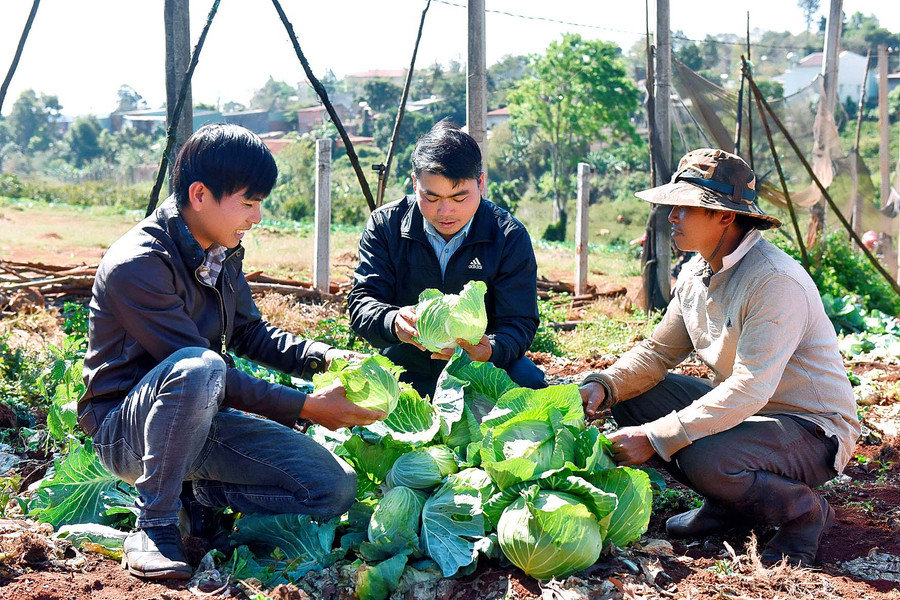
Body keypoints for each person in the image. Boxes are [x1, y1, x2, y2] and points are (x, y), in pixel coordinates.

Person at [78, 123, 383, 581]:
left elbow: (250, 334)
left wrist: (327, 357)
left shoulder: (219, 251)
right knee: (200, 366)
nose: (257, 217)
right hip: (125, 431)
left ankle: (197, 499)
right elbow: (198, 368)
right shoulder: (138, 264)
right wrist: (307, 407)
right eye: (248, 202)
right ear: (200, 194)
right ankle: (153, 526)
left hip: (200, 416)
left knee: (331, 487)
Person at [579, 148, 860, 566]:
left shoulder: (774, 281)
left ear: (725, 216)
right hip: (752, 417)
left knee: (702, 455)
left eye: (685, 207)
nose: (671, 216)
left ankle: (804, 514)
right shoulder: (696, 272)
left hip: (810, 429)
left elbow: (751, 386)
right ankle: (730, 505)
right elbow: (657, 352)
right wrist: (602, 385)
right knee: (634, 397)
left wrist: (655, 436)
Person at [348, 120, 545, 398]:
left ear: (480, 183)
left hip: (481, 366)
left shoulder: (508, 235)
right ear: (415, 183)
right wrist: (392, 320)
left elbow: (520, 321)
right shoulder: (385, 225)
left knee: (530, 385)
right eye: (431, 197)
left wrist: (491, 349)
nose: (445, 211)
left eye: (459, 197)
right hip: (405, 362)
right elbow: (362, 301)